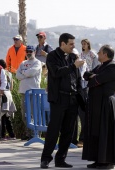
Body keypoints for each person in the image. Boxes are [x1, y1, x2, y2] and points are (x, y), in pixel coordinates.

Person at [40, 33, 85, 169]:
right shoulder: (52, 56)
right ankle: (46, 159)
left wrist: (80, 96)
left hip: (72, 99)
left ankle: (61, 159)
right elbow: (56, 73)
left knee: (68, 132)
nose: (73, 46)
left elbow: (77, 79)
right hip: (59, 99)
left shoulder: (73, 57)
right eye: (71, 44)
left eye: (74, 44)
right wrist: (73, 66)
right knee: (53, 130)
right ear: (63, 44)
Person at [82, 45, 115, 169]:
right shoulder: (100, 66)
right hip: (97, 104)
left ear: (105, 54)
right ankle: (98, 160)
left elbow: (96, 80)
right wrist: (92, 76)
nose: (97, 54)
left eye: (99, 52)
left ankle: (107, 161)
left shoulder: (112, 66)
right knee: (97, 131)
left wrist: (93, 77)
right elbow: (86, 75)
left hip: (106, 104)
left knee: (106, 132)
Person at [73, 39, 99, 147]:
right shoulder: (80, 55)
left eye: (85, 43)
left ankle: (83, 138)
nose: (83, 45)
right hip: (77, 88)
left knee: (83, 114)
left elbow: (95, 68)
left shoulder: (92, 55)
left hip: (85, 86)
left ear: (88, 44)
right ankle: (73, 138)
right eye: (82, 44)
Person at [16, 45, 42, 140]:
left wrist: (24, 72)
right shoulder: (23, 63)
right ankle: (28, 133)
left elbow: (31, 73)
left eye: (30, 51)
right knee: (25, 114)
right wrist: (25, 73)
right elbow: (17, 75)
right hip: (23, 92)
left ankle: (36, 133)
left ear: (34, 52)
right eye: (27, 51)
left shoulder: (37, 62)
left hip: (33, 92)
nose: (29, 53)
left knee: (34, 113)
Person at [0, 59, 16, 140]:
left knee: (1, 116)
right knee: (7, 116)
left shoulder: (0, 72)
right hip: (9, 94)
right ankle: (12, 134)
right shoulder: (9, 73)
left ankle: (2, 134)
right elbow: (11, 87)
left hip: (3, 94)